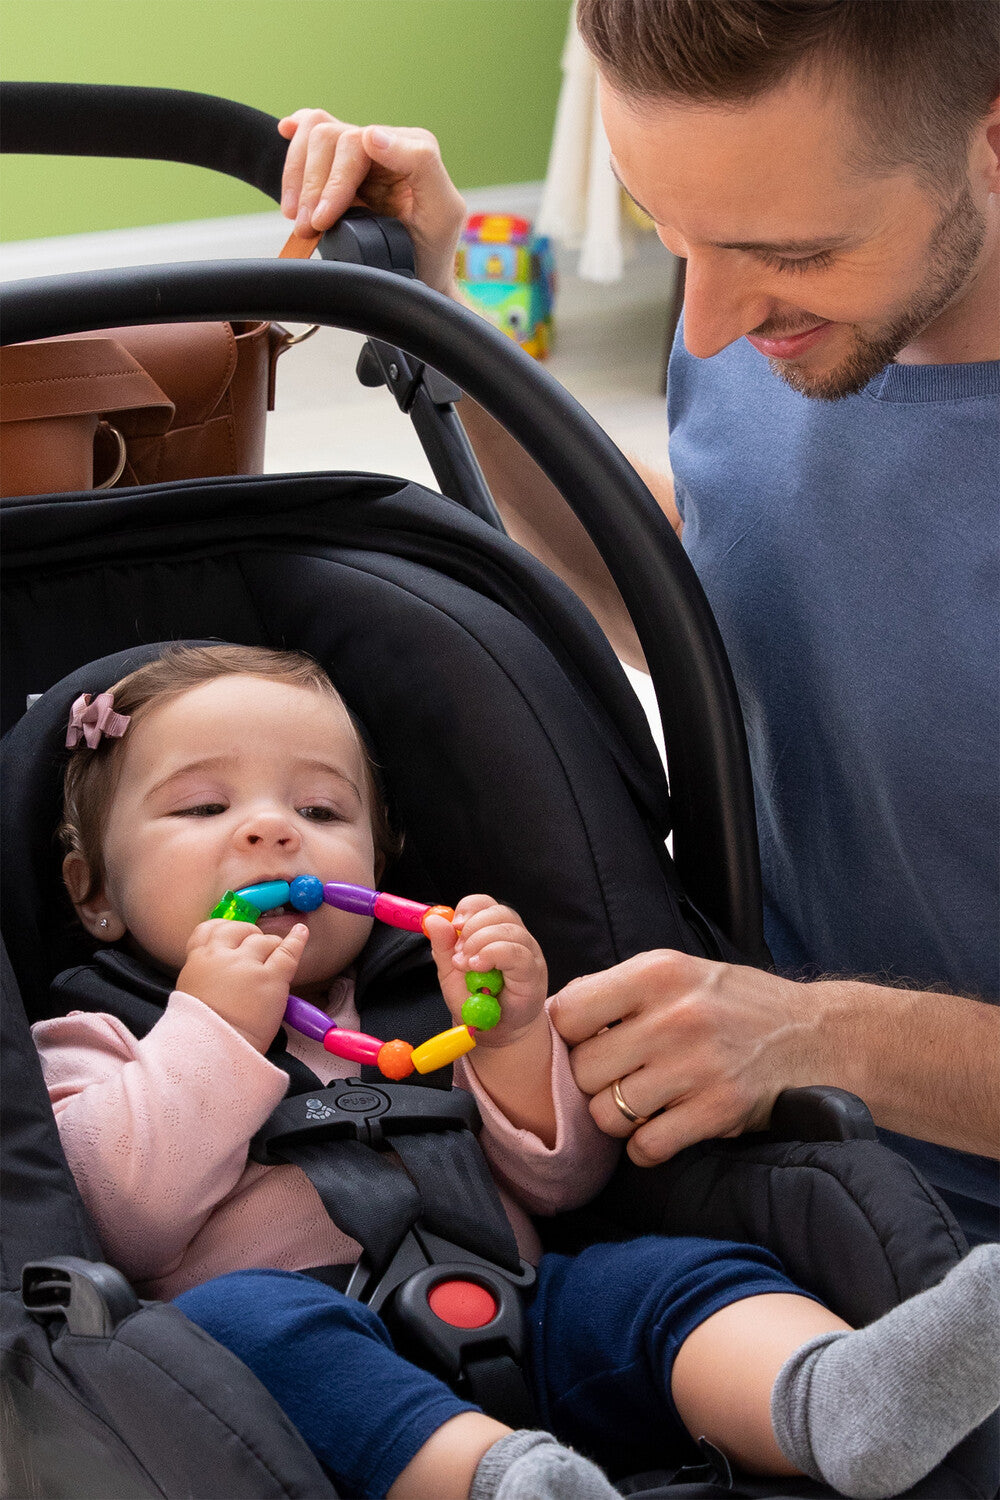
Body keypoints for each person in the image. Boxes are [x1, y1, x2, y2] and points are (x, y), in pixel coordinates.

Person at [275, 0, 1000, 1244]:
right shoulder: (767, 283)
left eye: (791, 256)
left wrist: (817, 1031)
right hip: (786, 1143)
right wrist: (440, 316)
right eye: (667, 232)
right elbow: (708, 588)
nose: (708, 324)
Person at [32, 644, 998, 1500]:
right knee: (238, 1323)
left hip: (524, 1305)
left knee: (681, 1276)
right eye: (206, 807)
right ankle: (498, 1481)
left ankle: (829, 1398)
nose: (273, 833)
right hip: (298, 1372)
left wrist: (509, 1039)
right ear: (95, 895)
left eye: (320, 808)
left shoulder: (424, 1006)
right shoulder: (100, 1037)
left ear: (379, 862)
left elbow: (563, 1180)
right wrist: (211, 1029)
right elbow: (125, 1216)